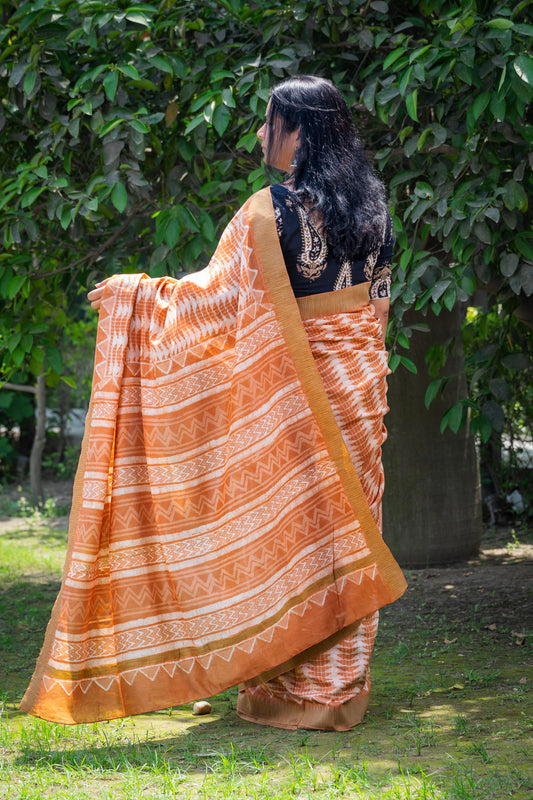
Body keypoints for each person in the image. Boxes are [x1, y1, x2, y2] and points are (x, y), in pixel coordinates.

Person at [21, 76, 405, 731]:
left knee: (289, 530)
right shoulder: (374, 206)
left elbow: (210, 304)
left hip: (293, 393)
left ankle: (280, 683)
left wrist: (132, 298)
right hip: (359, 382)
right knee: (343, 532)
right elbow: (376, 306)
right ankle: (338, 690)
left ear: (301, 132)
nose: (260, 135)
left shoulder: (269, 210)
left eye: (268, 122)